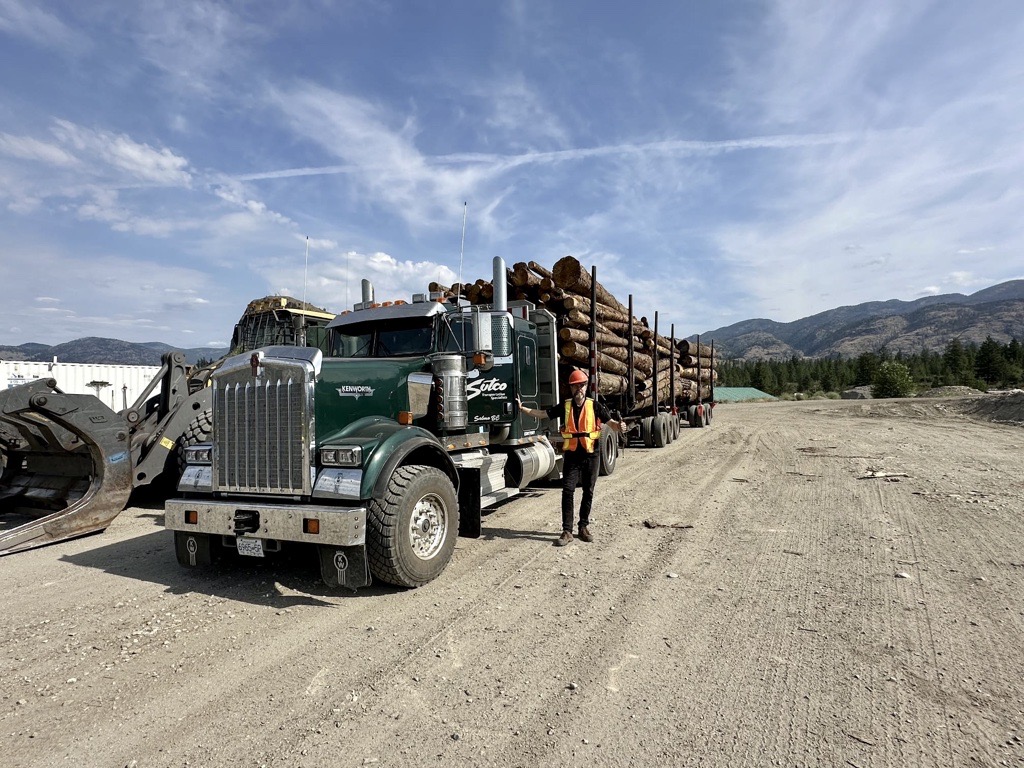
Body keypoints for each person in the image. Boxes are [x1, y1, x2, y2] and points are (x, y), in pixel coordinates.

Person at [517, 369, 622, 546]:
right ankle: (567, 531)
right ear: (571, 389)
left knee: (588, 490)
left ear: (586, 387)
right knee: (568, 491)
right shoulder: (565, 406)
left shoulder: (594, 405)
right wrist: (523, 409)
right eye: (575, 386)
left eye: (581, 386)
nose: (578, 389)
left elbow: (609, 422)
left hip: (591, 454)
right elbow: (543, 414)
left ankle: (583, 527)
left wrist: (618, 426)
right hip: (572, 455)